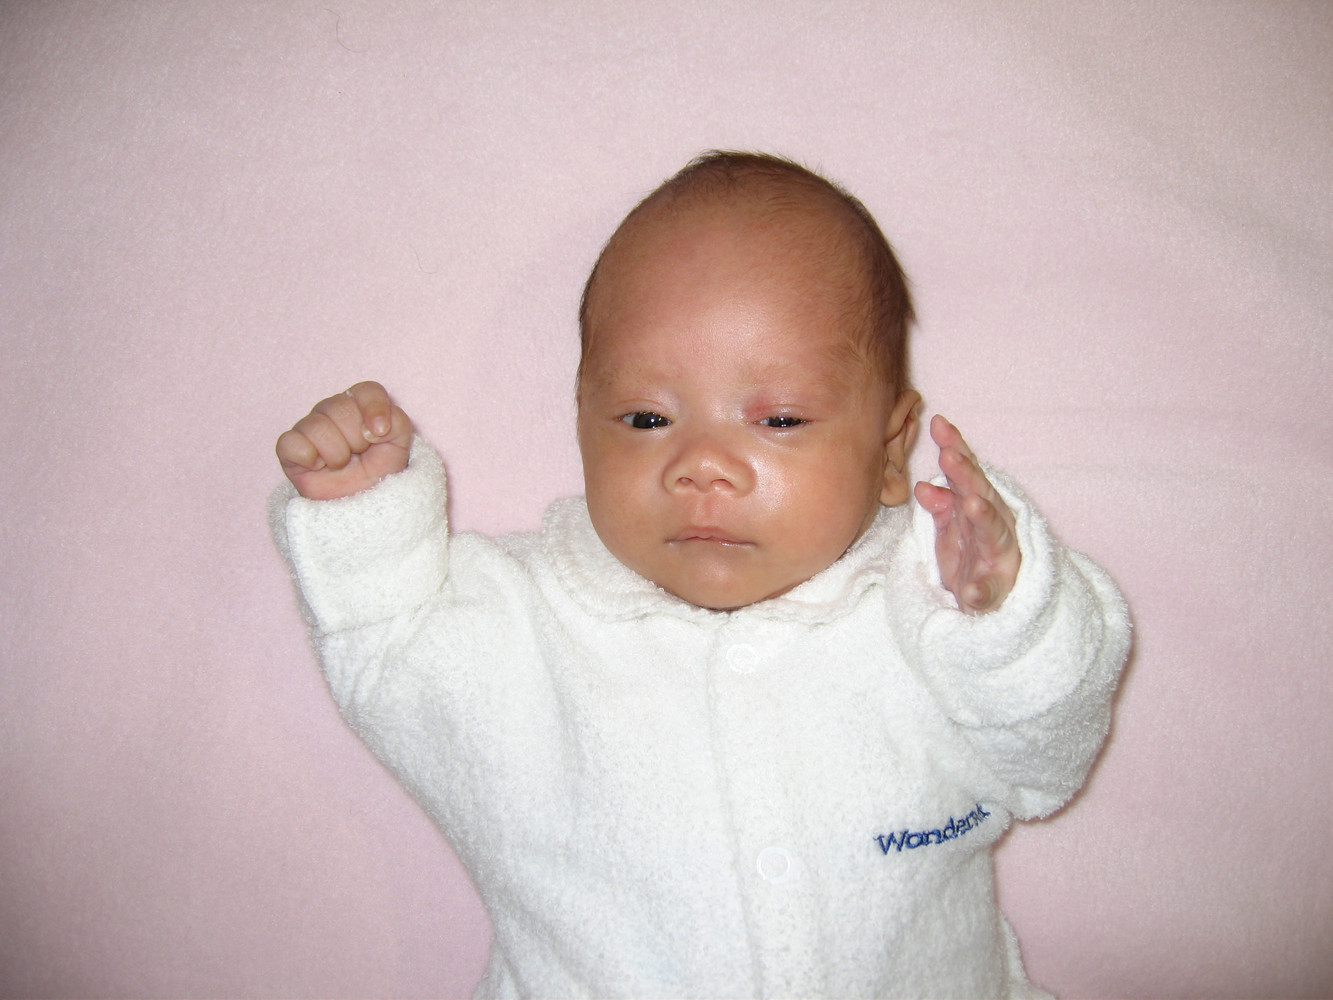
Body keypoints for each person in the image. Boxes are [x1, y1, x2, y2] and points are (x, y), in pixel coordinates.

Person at [272, 152, 1129, 998]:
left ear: (889, 450)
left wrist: (1008, 615)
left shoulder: (930, 608)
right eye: (646, 418)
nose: (702, 464)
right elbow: (396, 651)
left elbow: (1045, 763)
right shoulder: (524, 624)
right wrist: (364, 517)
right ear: (581, 423)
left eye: (779, 418)